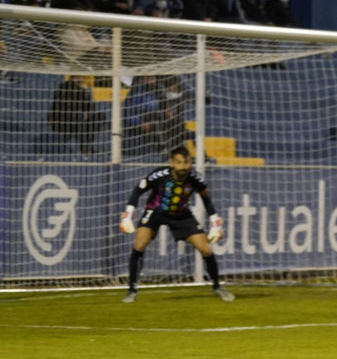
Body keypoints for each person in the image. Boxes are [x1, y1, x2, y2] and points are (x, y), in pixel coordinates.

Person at [119, 145, 233, 303]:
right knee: (139, 245)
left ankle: (217, 287)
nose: (182, 166)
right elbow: (138, 190)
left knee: (205, 249)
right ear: (171, 163)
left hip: (181, 214)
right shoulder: (159, 175)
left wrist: (215, 223)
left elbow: (206, 199)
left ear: (190, 163)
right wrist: (128, 215)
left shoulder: (196, 179)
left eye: (186, 162)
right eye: (179, 162)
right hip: (155, 212)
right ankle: (132, 289)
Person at [47, 75, 102, 155]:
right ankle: (85, 149)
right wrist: (84, 90)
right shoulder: (67, 87)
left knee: (93, 119)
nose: (83, 79)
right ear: (77, 77)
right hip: (64, 121)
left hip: (70, 120)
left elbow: (87, 106)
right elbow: (75, 104)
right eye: (81, 77)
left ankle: (86, 148)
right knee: (89, 122)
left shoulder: (70, 87)